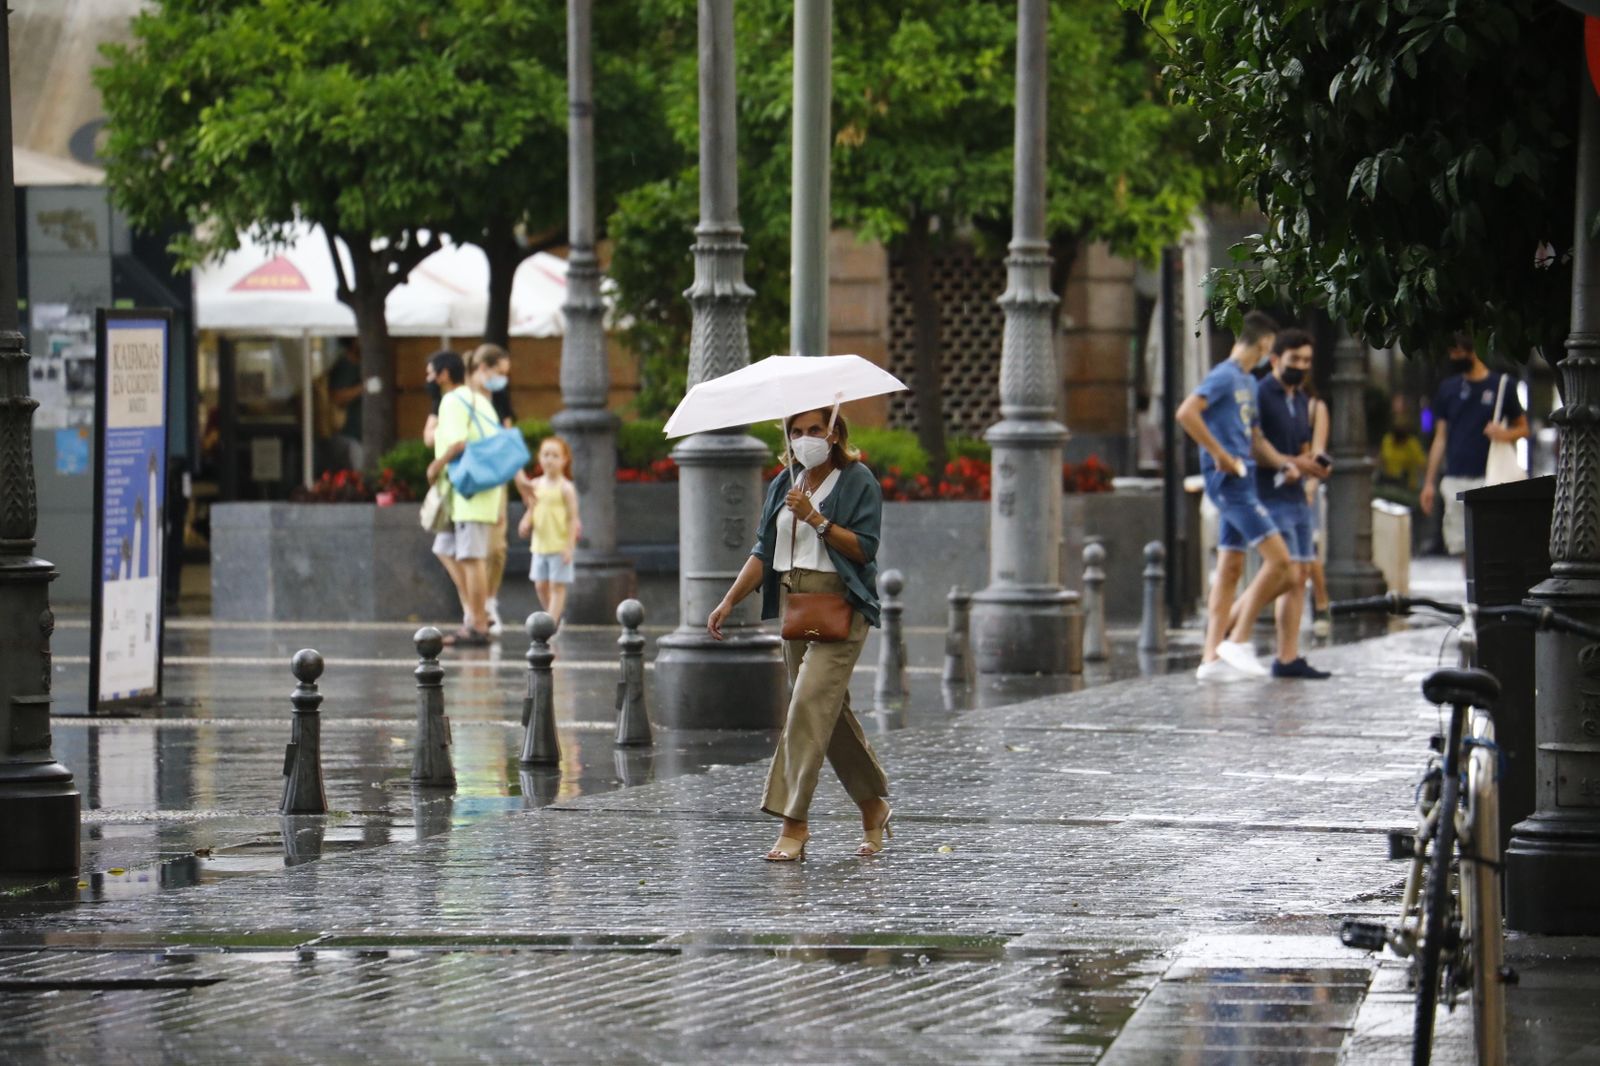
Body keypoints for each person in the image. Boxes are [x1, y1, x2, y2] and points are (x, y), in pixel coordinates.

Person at [706, 406, 893, 861]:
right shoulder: (784, 483)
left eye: (814, 429)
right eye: (795, 431)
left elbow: (865, 549)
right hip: (796, 607)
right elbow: (763, 551)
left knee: (807, 705)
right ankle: (873, 806)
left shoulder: (857, 480)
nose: (804, 438)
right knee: (826, 712)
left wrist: (816, 519)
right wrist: (729, 600)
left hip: (841, 606)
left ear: (834, 433)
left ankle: (793, 822)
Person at [1175, 310, 1305, 681]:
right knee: (1283, 564)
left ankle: (1211, 658)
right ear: (1265, 344)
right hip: (1229, 482)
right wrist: (1218, 454)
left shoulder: (1248, 381)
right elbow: (1186, 413)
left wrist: (1284, 464)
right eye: (1270, 348)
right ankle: (1238, 639)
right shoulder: (1224, 376)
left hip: (1244, 479)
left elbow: (1256, 439)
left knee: (1231, 568)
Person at [1250, 328, 1331, 678]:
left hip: (1296, 497)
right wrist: (1294, 464)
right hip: (1270, 494)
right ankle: (1233, 624)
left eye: (1307, 360)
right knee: (1284, 572)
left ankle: (1287, 657)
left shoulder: (1299, 400)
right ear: (1275, 359)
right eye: (1294, 359)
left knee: (1299, 577)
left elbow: (1302, 448)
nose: (1301, 366)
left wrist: (1313, 466)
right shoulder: (1260, 393)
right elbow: (1256, 446)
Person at [1420, 332, 1530, 556]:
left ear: (1473, 352)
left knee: (1491, 543)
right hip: (1455, 477)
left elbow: (1524, 429)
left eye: (1458, 352)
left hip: (1491, 477)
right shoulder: (1448, 389)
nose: (1453, 358)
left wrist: (1502, 434)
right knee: (1462, 546)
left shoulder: (1502, 386)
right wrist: (1429, 483)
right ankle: (1469, 580)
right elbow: (1440, 438)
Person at [425, 349, 506, 648]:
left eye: (430, 372)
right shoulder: (479, 400)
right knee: (444, 547)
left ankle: (478, 626)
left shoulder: (451, 400)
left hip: (470, 490)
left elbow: (458, 443)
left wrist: (436, 465)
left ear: (444, 374)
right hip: (469, 491)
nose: (428, 379)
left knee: (472, 558)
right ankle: (477, 611)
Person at [518, 436, 579, 624]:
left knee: (556, 587)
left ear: (564, 460)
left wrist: (569, 546)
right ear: (539, 457)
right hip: (539, 546)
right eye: (546, 455)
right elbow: (531, 509)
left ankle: (550, 624)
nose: (549, 460)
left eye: (555, 455)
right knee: (540, 585)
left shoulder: (566, 488)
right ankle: (554, 616)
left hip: (559, 546)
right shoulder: (535, 485)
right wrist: (525, 522)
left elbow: (572, 519)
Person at [324, 338, 364, 472]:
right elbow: (336, 396)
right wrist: (363, 388)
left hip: (358, 436)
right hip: (348, 435)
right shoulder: (345, 365)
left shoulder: (360, 364)